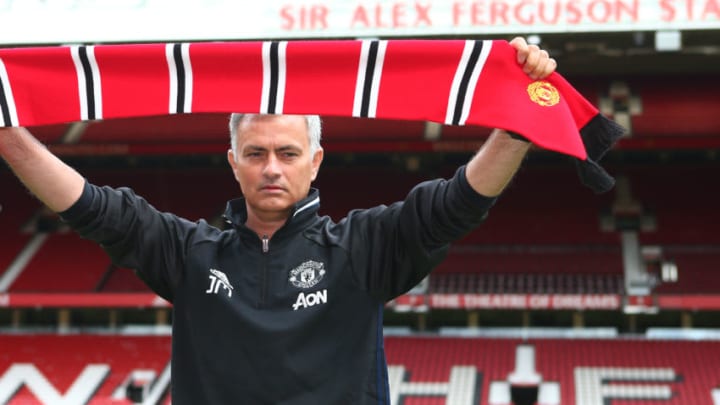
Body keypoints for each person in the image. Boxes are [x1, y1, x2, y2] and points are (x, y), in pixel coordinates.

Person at [0, 37, 556, 404]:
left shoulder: (362, 247)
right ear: (233, 162)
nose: (271, 168)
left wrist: (516, 123)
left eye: (288, 153)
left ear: (315, 162)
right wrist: (9, 136)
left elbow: (458, 204)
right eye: (256, 153)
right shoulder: (191, 253)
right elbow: (93, 208)